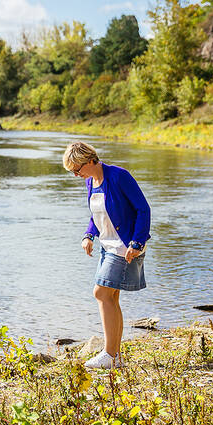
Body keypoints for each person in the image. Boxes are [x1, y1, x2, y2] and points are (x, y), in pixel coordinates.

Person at [63, 141, 151, 369]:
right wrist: (88, 235)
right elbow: (96, 215)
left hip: (125, 246)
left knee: (100, 292)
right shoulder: (90, 181)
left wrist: (137, 242)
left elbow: (143, 209)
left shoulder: (119, 176)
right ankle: (115, 356)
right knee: (111, 297)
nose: (75, 175)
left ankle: (109, 354)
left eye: (76, 170)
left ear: (89, 161)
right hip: (107, 245)